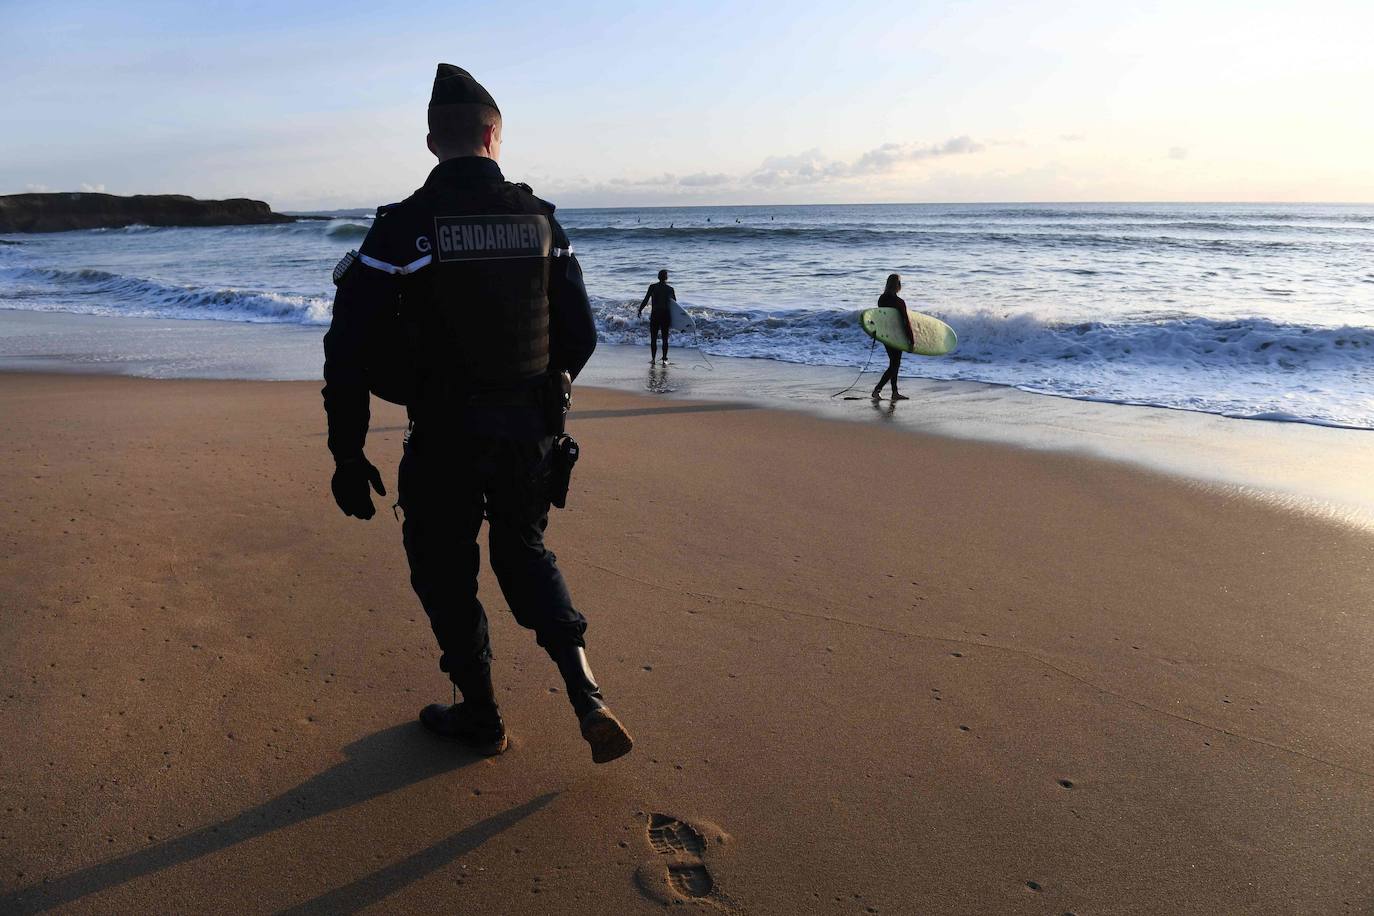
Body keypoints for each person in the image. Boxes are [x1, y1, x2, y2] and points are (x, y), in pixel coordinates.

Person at [322, 64, 633, 764]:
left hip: (442, 437)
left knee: (444, 570)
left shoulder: (401, 231)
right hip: (528, 435)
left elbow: (346, 347)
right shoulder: (541, 223)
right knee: (524, 552)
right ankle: (586, 695)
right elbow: (578, 337)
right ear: (494, 136)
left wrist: (347, 452)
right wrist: (541, 401)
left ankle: (482, 716)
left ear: (434, 142)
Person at [872, 273, 913, 401]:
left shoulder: (882, 299)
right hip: (897, 335)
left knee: (894, 363)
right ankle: (878, 390)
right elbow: (905, 322)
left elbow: (881, 316)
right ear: (898, 285)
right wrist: (911, 340)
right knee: (895, 364)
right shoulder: (899, 302)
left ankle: (894, 392)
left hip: (885, 335)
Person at [638, 268, 675, 364]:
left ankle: (653, 359)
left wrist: (640, 309)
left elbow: (646, 300)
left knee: (653, 338)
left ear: (658, 277)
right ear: (666, 278)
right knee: (665, 338)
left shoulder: (652, 287)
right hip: (666, 316)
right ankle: (664, 359)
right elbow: (674, 305)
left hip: (655, 315)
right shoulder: (670, 289)